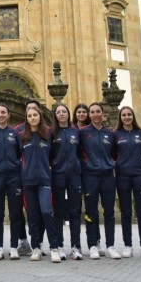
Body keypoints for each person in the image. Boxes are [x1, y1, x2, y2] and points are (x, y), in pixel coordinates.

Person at [78, 102, 120, 259]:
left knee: (109, 212)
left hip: (108, 176)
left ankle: (110, 245)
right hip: (90, 176)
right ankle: (93, 245)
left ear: (103, 114)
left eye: (98, 111)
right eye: (92, 112)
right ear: (89, 115)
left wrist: (110, 164)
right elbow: (78, 153)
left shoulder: (110, 134)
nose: (95, 114)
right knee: (91, 212)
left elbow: (115, 154)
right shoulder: (83, 133)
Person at [19, 106, 60, 263]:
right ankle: (36, 247)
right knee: (33, 216)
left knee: (47, 212)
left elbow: (53, 156)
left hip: (44, 181)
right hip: (28, 182)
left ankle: (54, 247)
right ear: (27, 119)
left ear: (40, 117)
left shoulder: (48, 135)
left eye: (35, 115)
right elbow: (18, 156)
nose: (32, 118)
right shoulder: (22, 137)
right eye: (29, 116)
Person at [113, 105, 141, 259]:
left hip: (139, 176)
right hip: (122, 176)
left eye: (129, 114)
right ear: (120, 117)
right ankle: (127, 245)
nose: (127, 117)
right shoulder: (116, 135)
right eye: (124, 115)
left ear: (133, 116)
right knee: (126, 213)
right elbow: (112, 154)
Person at [0, 104, 25, 260]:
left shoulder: (15, 133)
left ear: (8, 115)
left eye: (3, 112)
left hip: (14, 176)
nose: (1, 115)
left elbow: (21, 152)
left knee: (16, 213)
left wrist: (16, 166)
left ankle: (14, 247)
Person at [50, 103, 81, 260]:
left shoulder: (76, 131)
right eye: (58, 112)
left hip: (75, 175)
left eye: (64, 111)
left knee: (75, 211)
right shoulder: (51, 133)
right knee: (58, 211)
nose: (61, 114)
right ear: (55, 115)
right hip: (58, 175)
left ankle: (76, 246)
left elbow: (81, 152)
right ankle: (59, 245)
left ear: (69, 114)